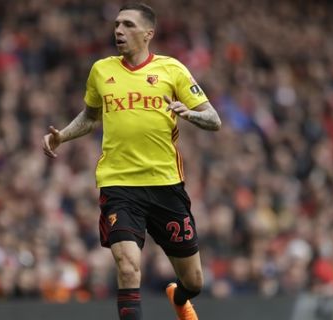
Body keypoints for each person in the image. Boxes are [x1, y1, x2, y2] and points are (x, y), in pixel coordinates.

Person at [43, 3, 221, 319]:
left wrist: (190, 114)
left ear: (148, 33)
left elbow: (213, 119)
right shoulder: (101, 70)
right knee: (127, 266)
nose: (118, 31)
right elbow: (90, 116)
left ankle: (179, 299)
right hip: (119, 185)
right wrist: (62, 137)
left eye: (127, 25)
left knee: (193, 281)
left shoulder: (172, 70)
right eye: (116, 25)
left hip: (166, 185)